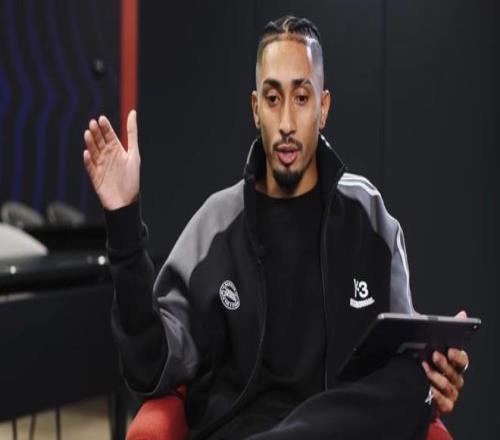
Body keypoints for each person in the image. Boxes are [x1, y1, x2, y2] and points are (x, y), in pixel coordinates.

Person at [83, 16, 469, 439]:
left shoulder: (369, 218)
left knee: (411, 381)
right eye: (272, 99)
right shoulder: (215, 226)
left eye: (301, 98)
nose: (286, 122)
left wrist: (436, 376)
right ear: (256, 109)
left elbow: (402, 365)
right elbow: (149, 367)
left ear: (323, 108)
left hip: (341, 430)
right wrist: (123, 219)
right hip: (239, 428)